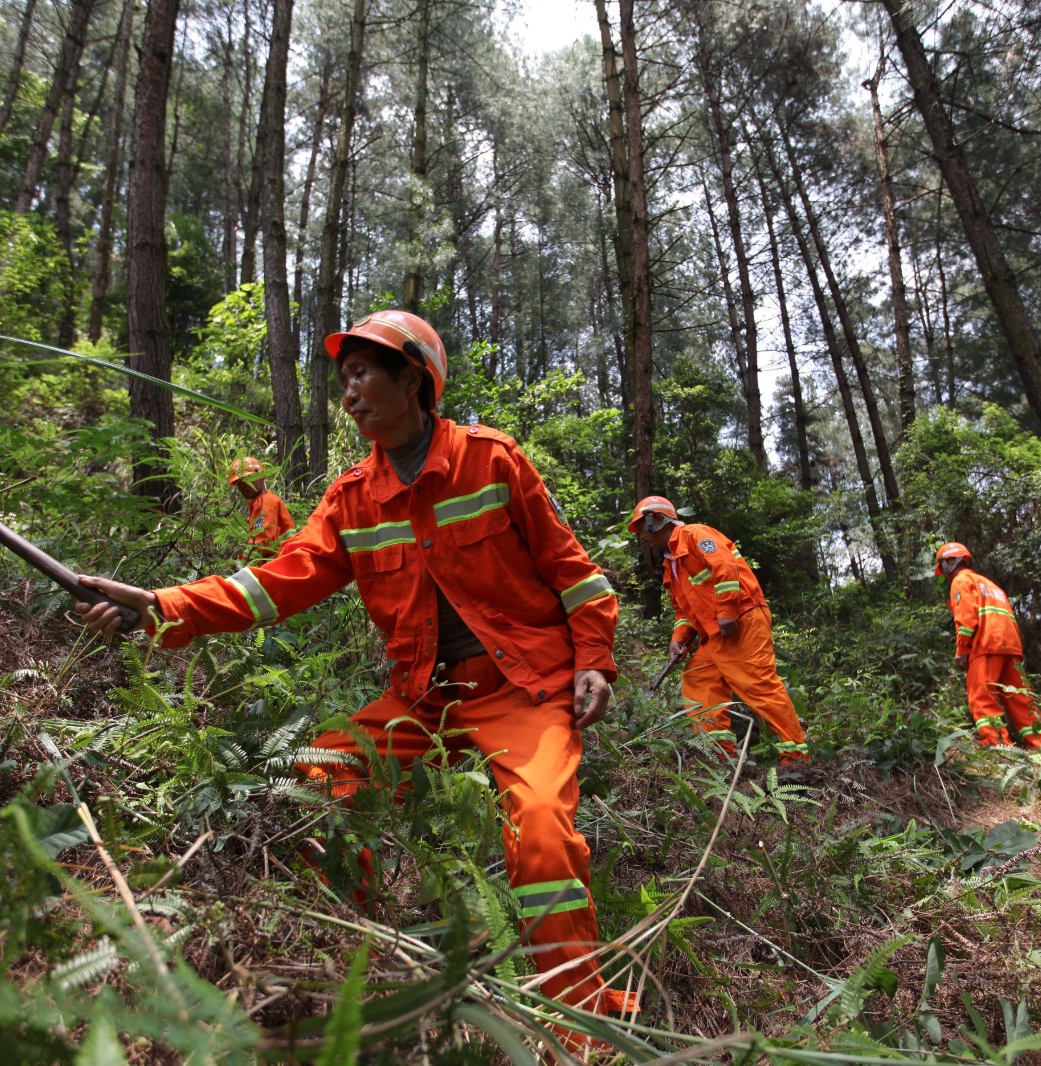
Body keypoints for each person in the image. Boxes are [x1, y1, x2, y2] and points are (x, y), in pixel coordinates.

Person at [75, 310, 634, 1016]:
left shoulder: (494, 461)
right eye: (344, 378)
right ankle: (371, 965)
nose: (349, 391)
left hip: (523, 690)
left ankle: (579, 1020)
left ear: (415, 379)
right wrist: (159, 605)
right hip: (422, 698)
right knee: (318, 778)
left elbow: (575, 573)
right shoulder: (350, 498)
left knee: (543, 834)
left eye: (364, 373)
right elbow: (273, 584)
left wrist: (595, 659)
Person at [628, 496, 810, 767]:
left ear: (656, 520)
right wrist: (678, 640)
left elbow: (725, 567)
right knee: (698, 681)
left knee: (758, 685)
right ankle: (721, 758)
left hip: (741, 620)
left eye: (641, 527)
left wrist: (727, 611)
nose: (641, 536)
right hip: (715, 635)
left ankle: (796, 758)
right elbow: (684, 612)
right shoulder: (671, 565)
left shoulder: (694, 534)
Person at [933, 542, 1041, 749]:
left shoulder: (961, 580)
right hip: (1010, 646)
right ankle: (1040, 745)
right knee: (1021, 698)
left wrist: (962, 649)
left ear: (950, 562)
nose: (945, 574)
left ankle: (998, 745)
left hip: (984, 645)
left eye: (944, 566)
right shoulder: (990, 585)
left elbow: (965, 617)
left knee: (982, 697)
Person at [227, 456, 295, 558]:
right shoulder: (260, 503)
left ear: (261, 478)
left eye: (247, 479)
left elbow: (261, 542)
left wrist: (242, 564)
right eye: (238, 483)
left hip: (281, 563)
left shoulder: (266, 503)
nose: (242, 486)